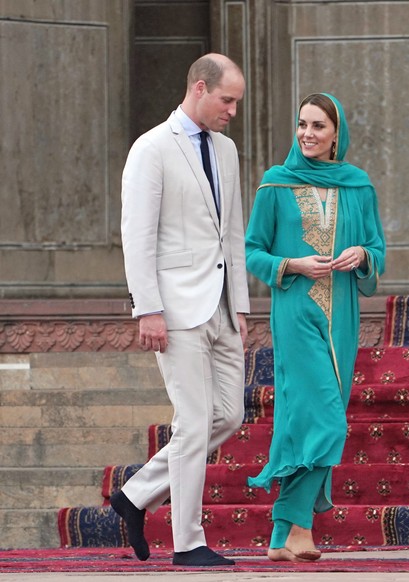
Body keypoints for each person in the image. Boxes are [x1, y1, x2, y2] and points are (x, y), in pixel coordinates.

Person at [111, 53, 250, 567]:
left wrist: (240, 302)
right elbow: (138, 235)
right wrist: (147, 308)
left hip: (221, 307)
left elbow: (230, 230)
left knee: (228, 414)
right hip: (173, 309)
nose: (233, 110)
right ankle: (188, 543)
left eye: (236, 101)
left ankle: (134, 494)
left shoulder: (228, 151)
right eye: (226, 100)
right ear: (199, 88)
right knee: (193, 422)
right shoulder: (152, 148)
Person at [245, 93, 386, 562]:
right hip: (295, 312)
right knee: (325, 418)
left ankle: (280, 539)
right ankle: (301, 528)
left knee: (304, 418)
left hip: (341, 316)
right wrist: (293, 264)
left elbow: (376, 247)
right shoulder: (275, 184)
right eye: (302, 124)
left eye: (318, 126)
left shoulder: (357, 186)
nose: (307, 133)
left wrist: (362, 256)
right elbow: (252, 252)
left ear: (335, 135)